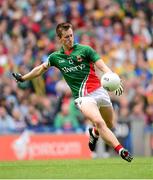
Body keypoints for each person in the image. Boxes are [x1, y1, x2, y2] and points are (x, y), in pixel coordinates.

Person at [12, 22, 133, 162]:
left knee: (110, 124)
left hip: (99, 91)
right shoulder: (55, 57)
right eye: (66, 37)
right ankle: (121, 150)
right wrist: (23, 78)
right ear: (59, 39)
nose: (70, 39)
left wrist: (114, 80)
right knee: (99, 122)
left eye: (71, 35)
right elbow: (39, 69)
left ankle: (94, 133)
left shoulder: (85, 50)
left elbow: (103, 67)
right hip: (83, 97)